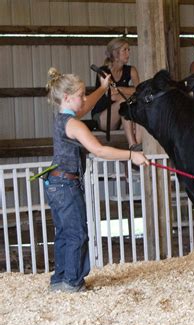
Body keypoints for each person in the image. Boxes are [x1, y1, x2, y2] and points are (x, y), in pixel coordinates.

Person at [45, 67, 149, 293]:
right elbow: (100, 150)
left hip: (56, 184)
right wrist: (132, 155)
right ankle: (73, 282)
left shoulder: (63, 118)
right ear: (67, 97)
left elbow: (85, 106)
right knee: (77, 234)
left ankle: (60, 280)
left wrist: (102, 89)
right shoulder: (75, 125)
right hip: (66, 184)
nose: (84, 100)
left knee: (65, 232)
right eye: (80, 95)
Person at [91, 37, 142, 150]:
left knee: (138, 102)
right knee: (124, 102)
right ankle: (132, 144)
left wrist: (121, 89)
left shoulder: (131, 70)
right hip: (104, 118)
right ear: (115, 53)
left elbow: (140, 91)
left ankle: (138, 145)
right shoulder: (103, 71)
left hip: (123, 119)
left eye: (129, 50)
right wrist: (130, 91)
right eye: (125, 50)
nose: (128, 53)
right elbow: (113, 95)